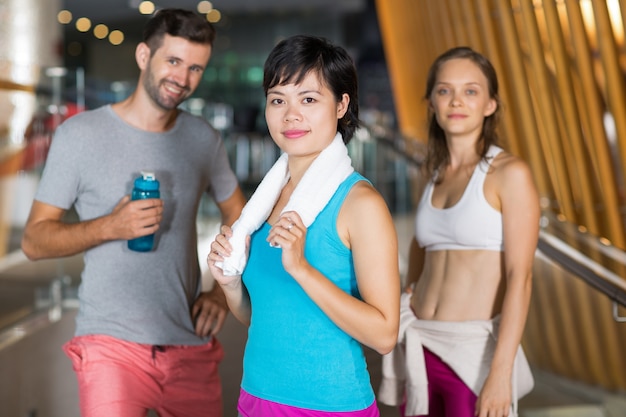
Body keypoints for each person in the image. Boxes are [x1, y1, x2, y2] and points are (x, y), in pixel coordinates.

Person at [21, 8, 246, 417]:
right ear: (144, 56)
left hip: (188, 341)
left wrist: (218, 291)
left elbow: (241, 216)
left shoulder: (202, 139)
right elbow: (34, 241)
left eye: (195, 67)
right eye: (173, 61)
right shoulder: (80, 135)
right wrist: (111, 225)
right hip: (110, 344)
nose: (183, 78)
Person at [207, 35, 401, 417]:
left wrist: (302, 269)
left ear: (342, 104)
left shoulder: (361, 204)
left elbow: (384, 335)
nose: (290, 115)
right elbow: (264, 316)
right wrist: (230, 285)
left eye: (309, 99)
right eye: (278, 100)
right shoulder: (264, 203)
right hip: (256, 399)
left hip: (330, 406)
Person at [378, 47, 539, 417]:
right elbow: (423, 245)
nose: (456, 101)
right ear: (432, 102)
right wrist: (410, 289)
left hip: (471, 357)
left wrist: (501, 374)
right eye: (445, 90)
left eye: (471, 91)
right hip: (421, 344)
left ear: (490, 104)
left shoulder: (509, 174)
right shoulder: (433, 174)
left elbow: (520, 279)